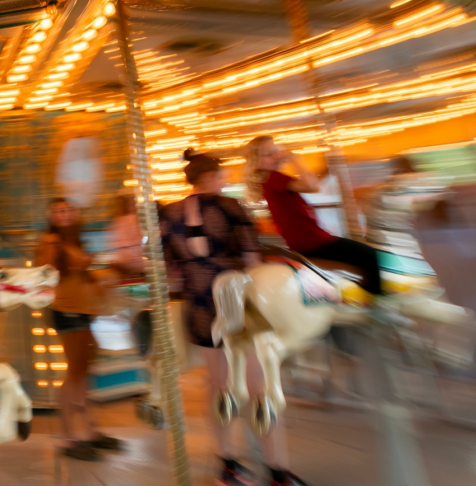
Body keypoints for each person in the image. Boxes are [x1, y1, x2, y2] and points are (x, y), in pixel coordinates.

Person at [161, 151, 307, 486]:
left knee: (219, 386)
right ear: (211, 176)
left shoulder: (169, 213)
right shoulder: (230, 207)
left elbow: (167, 266)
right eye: (222, 175)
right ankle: (277, 469)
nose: (225, 180)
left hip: (198, 303)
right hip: (234, 298)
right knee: (260, 386)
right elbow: (251, 258)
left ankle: (228, 466)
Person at [35, 198, 120, 462]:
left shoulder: (73, 239)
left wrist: (97, 279)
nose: (65, 214)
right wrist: (78, 259)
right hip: (66, 309)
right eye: (59, 210)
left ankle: (89, 428)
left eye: (68, 209)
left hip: (82, 309)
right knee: (74, 371)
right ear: (52, 215)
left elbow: (81, 270)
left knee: (84, 367)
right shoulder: (52, 241)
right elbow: (50, 271)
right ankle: (69, 435)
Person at [244, 135, 383, 296]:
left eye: (276, 151)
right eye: (269, 154)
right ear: (257, 161)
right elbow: (312, 186)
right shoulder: (274, 177)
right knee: (369, 254)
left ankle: (366, 294)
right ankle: (377, 300)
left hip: (306, 239)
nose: (276, 156)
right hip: (312, 241)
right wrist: (295, 159)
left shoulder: (268, 180)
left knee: (360, 256)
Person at [107, 193, 144, 280]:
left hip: (123, 264)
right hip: (138, 263)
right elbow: (143, 240)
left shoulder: (115, 223)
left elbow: (112, 245)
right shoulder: (135, 220)